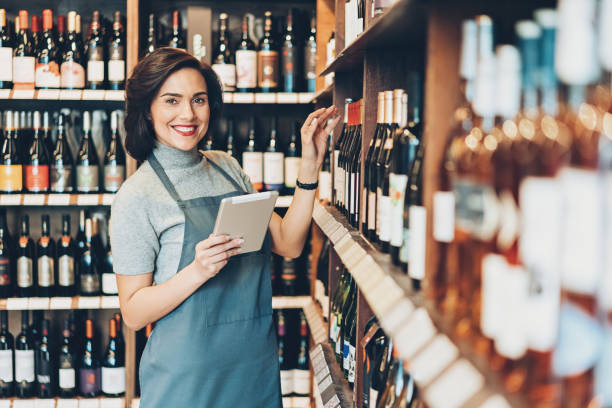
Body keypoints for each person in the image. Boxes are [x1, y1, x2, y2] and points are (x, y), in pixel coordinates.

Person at [109, 47, 339, 407]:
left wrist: (310, 165)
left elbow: (290, 244)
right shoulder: (136, 197)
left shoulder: (226, 168)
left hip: (253, 368)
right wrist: (197, 271)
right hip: (187, 380)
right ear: (146, 108)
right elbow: (134, 312)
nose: (188, 114)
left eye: (198, 100)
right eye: (172, 100)